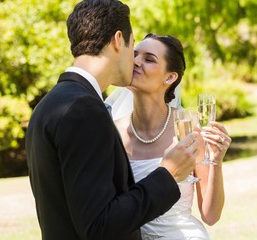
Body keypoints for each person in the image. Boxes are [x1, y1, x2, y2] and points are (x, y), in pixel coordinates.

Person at [25, 1, 200, 240]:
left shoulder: (49, 104)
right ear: (119, 40)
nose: (135, 60)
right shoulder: (83, 110)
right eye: (133, 46)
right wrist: (168, 173)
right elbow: (99, 225)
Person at [106, 33, 231, 239]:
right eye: (135, 55)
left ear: (170, 77)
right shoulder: (113, 133)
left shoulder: (189, 129)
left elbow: (210, 216)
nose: (136, 61)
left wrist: (216, 161)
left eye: (149, 59)